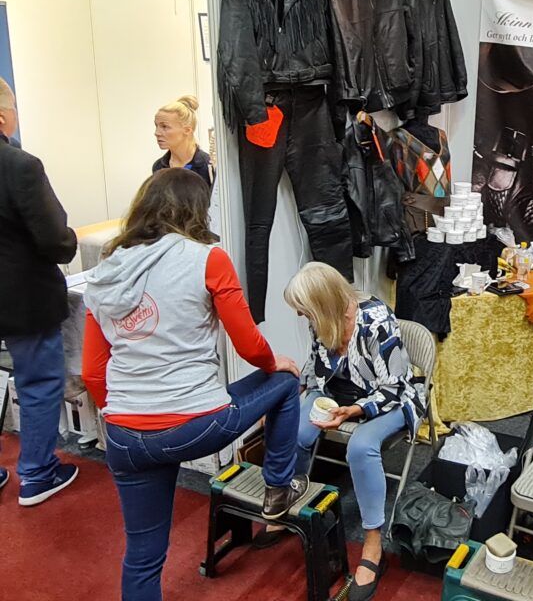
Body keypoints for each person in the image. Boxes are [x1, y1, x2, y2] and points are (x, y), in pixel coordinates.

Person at [82, 168, 304, 601]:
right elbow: (248, 345)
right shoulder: (207, 258)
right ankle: (278, 488)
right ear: (198, 211)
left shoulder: (108, 271)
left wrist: (132, 415)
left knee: (142, 558)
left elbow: (92, 371)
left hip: (125, 435)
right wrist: (273, 361)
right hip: (194, 424)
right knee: (284, 379)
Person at [280, 262, 422, 601]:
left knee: (360, 447)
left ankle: (373, 543)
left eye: (304, 308)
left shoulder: (376, 320)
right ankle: (296, 503)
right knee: (295, 432)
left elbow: (395, 386)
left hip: (388, 399)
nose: (300, 315)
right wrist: (291, 393)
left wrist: (356, 410)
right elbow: (316, 366)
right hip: (337, 393)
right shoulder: (321, 318)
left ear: (323, 301)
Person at [0, 78, 80, 504]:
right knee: (38, 383)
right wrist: (69, 239)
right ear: (3, 117)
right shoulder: (20, 166)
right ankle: (37, 473)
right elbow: (56, 241)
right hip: (23, 300)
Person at [152, 95, 213, 187]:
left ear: (187, 130)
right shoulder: (158, 167)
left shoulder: (208, 167)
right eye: (156, 126)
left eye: (164, 126)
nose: (156, 133)